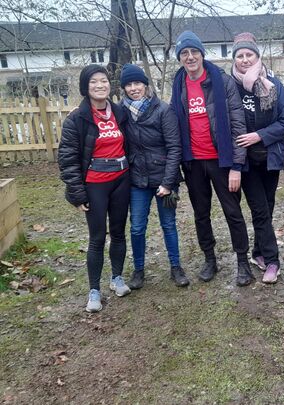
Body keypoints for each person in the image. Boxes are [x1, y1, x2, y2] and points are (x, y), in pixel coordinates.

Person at [170, 31, 255, 286]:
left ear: (202, 54)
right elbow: (172, 121)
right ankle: (210, 259)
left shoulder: (222, 81)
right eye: (184, 53)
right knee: (200, 214)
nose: (190, 57)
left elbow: (238, 124)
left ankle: (242, 262)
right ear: (180, 58)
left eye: (194, 51)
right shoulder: (178, 83)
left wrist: (237, 166)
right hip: (193, 161)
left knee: (233, 212)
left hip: (222, 160)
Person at [58, 64, 131, 312]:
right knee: (97, 238)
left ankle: (117, 278)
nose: (100, 86)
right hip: (95, 184)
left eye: (103, 81)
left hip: (121, 180)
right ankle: (94, 290)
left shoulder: (120, 113)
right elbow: (67, 158)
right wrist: (77, 192)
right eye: (93, 82)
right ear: (85, 87)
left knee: (119, 232)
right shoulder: (77, 118)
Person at [230, 32, 284, 284]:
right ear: (234, 59)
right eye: (240, 55)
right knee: (259, 209)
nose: (245, 59)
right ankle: (272, 261)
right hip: (244, 161)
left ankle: (258, 252)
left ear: (257, 56)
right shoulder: (230, 87)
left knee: (267, 208)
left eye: (249, 55)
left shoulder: (274, 84)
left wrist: (259, 135)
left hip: (270, 157)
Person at [118, 64, 187, 289]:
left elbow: (174, 147)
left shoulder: (163, 110)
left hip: (164, 178)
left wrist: (167, 183)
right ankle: (138, 271)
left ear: (145, 85)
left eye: (137, 83)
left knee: (168, 224)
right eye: (128, 84)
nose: (133, 88)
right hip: (137, 179)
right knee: (137, 226)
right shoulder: (121, 112)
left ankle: (176, 267)